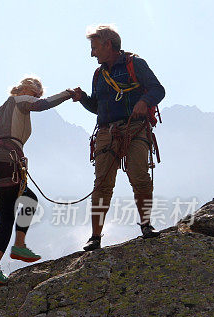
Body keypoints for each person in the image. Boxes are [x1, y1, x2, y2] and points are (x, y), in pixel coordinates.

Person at [70, 24, 165, 251]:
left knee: (139, 177)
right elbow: (97, 107)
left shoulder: (135, 64)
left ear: (107, 44)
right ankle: (95, 237)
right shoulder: (99, 74)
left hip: (135, 128)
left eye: (94, 47)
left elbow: (158, 90)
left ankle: (146, 225)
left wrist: (144, 102)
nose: (92, 53)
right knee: (102, 185)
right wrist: (83, 98)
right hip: (106, 132)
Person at [0, 77, 73, 285]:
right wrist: (67, 94)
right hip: (9, 163)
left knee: (7, 217)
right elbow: (42, 105)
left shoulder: (0, 111)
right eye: (34, 92)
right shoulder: (19, 100)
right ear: (24, 89)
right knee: (28, 200)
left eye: (37, 94)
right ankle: (18, 246)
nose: (35, 97)